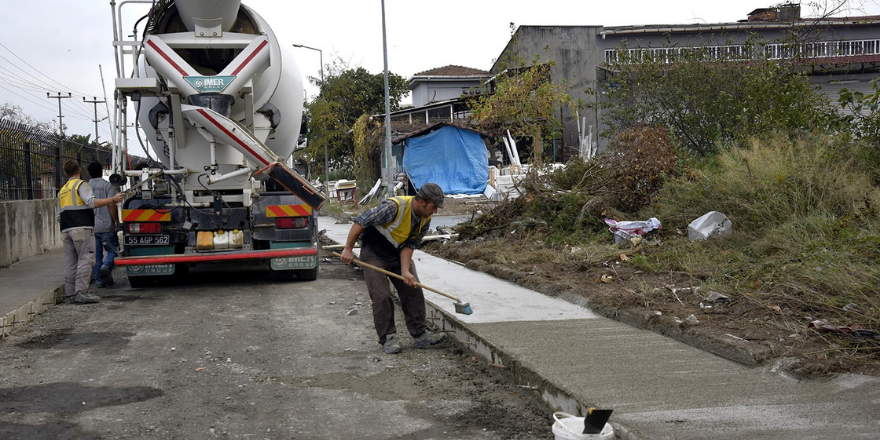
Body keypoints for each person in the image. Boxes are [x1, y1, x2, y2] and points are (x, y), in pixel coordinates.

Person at [339, 183, 448, 354]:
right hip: (374, 253)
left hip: (398, 254)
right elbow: (361, 221)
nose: (435, 211)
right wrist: (348, 248)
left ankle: (420, 335)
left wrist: (405, 271)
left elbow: (410, 244)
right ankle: (388, 338)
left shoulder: (425, 219)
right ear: (422, 202)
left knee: (413, 289)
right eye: (434, 207)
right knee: (381, 295)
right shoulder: (393, 208)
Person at [58, 160, 124, 304]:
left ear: (65, 173)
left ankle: (71, 294)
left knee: (71, 262)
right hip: (81, 228)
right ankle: (81, 292)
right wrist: (113, 199)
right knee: (85, 259)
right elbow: (91, 202)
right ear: (79, 170)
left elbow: (59, 214)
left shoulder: (62, 190)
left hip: (66, 229)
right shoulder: (81, 185)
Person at [87, 161, 120, 288]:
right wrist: (115, 221)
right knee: (113, 250)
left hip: (92, 227)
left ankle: (100, 281)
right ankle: (106, 266)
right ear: (102, 171)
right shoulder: (108, 186)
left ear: (89, 173)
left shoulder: (85, 187)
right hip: (107, 226)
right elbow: (112, 204)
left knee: (97, 256)